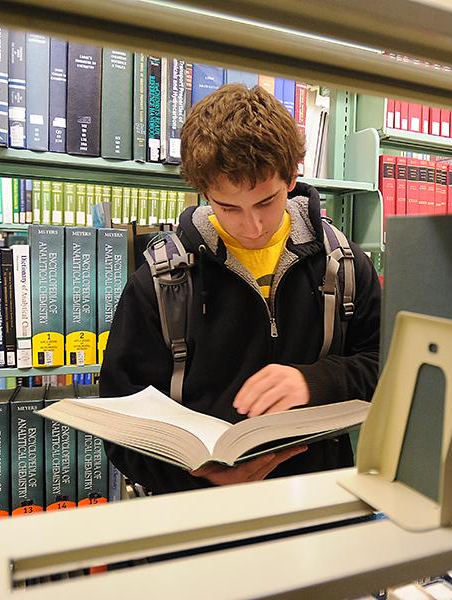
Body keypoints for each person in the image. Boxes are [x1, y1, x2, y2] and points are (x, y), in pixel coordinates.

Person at [99, 83, 381, 494]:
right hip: (201, 518)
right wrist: (192, 477)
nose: (252, 227)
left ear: (293, 175)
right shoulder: (160, 281)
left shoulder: (346, 265)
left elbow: (389, 367)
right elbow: (120, 422)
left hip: (319, 506)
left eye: (267, 202)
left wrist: (319, 381)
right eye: (228, 207)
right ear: (203, 192)